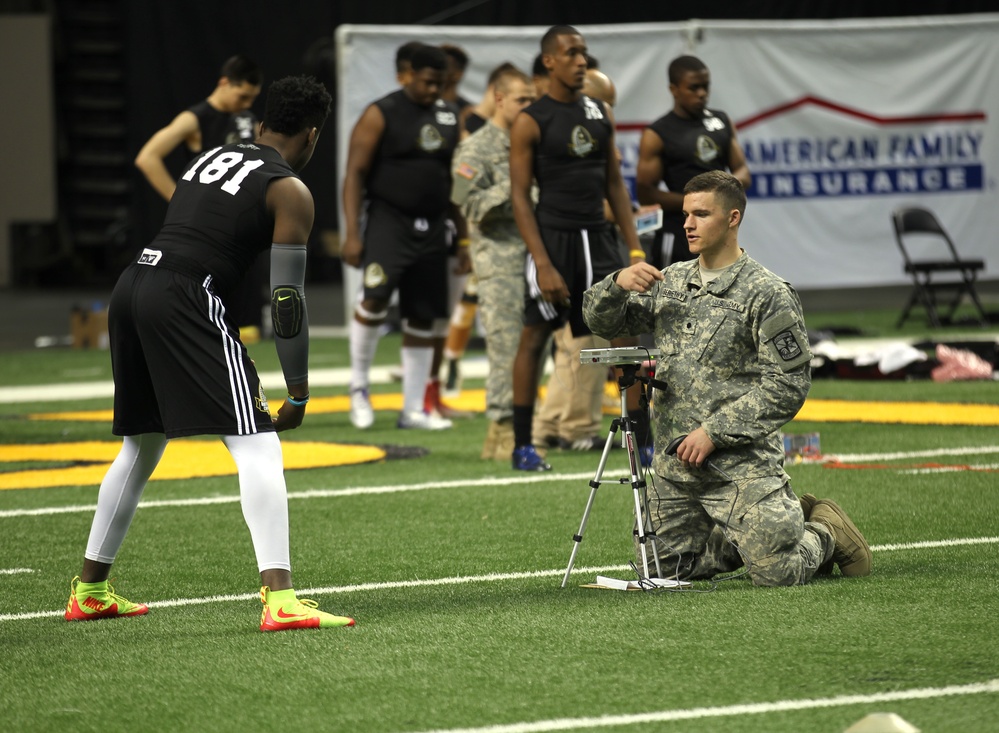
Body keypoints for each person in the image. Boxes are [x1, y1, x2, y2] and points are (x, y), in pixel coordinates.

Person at [65, 76, 356, 630]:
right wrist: (298, 391)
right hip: (185, 294)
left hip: (132, 285)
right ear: (313, 136)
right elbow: (288, 298)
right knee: (258, 442)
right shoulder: (290, 189)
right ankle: (280, 599)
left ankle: (91, 590)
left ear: (264, 123)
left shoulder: (216, 154)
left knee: (141, 447)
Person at [582, 170, 872, 585]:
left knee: (777, 573)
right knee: (659, 574)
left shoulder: (766, 292)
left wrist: (715, 433)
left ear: (733, 218)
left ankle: (823, 532)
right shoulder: (672, 281)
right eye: (685, 214)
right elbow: (599, 320)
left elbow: (787, 384)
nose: (687, 224)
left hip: (740, 465)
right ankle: (745, 539)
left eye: (701, 214)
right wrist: (616, 285)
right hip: (674, 468)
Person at [508, 26, 646, 471]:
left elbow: (614, 187)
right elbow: (518, 197)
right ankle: (523, 446)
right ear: (549, 62)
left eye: (584, 52)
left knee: (626, 338)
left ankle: (641, 442)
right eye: (571, 53)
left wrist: (634, 248)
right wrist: (543, 263)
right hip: (554, 241)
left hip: (600, 242)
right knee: (534, 339)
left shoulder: (599, 114)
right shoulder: (532, 120)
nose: (581, 60)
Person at [342, 43, 469, 431]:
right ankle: (359, 388)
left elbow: (455, 183)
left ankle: (413, 408)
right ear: (404, 75)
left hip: (433, 227)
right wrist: (352, 232)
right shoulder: (380, 113)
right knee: (375, 298)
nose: (435, 90)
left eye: (442, 83)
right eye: (429, 82)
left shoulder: (450, 115)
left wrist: (463, 239)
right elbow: (354, 175)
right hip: (387, 222)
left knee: (423, 315)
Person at [531, 63, 630, 454]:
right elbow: (564, 195)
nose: (607, 112)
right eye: (603, 102)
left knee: (571, 342)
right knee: (589, 338)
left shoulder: (585, 128)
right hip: (571, 245)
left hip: (581, 243)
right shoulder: (552, 128)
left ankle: (550, 426)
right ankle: (578, 428)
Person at [134, 55, 268, 340]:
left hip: (239, 227)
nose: (246, 104)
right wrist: (178, 197)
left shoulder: (245, 120)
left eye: (252, 98)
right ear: (224, 83)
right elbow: (147, 158)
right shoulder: (195, 118)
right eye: (242, 96)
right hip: (205, 230)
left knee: (247, 318)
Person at [450, 66, 537, 459]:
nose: (528, 106)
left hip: (537, 257)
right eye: (521, 99)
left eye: (532, 99)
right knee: (506, 344)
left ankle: (537, 427)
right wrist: (516, 184)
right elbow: (467, 203)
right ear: (499, 99)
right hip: (500, 258)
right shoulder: (477, 148)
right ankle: (502, 431)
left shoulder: (537, 141)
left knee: (538, 344)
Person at [636, 55, 750, 269]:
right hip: (678, 231)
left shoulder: (721, 121)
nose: (702, 94)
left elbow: (743, 171)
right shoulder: (658, 133)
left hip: (717, 230)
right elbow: (645, 192)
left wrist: (719, 195)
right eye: (694, 88)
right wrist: (697, 204)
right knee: (671, 299)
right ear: (674, 89)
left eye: (705, 87)